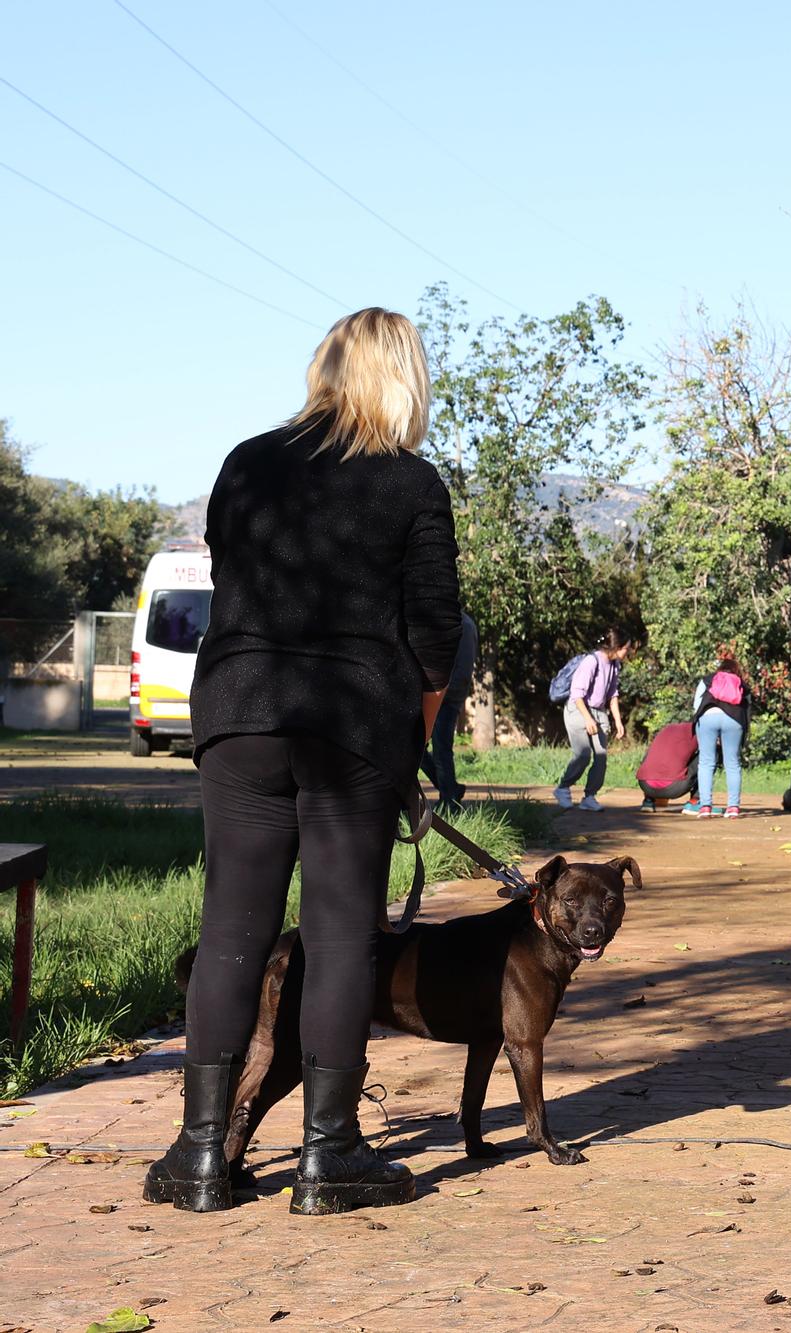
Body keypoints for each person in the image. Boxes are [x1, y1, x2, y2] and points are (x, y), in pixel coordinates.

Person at [146, 308, 462, 1216]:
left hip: (238, 713)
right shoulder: (410, 482)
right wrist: (415, 731)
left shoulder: (248, 461)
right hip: (351, 725)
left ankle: (199, 1155)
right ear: (405, 378)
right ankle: (331, 1156)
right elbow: (434, 630)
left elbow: (237, 585)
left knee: (231, 931)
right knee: (337, 941)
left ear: (324, 367)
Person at [555, 629, 632, 812]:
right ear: (616, 647)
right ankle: (563, 788)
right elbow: (577, 694)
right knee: (583, 754)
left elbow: (613, 694)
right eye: (626, 649)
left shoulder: (614, 665)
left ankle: (589, 797)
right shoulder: (592, 661)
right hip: (578, 709)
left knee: (601, 756)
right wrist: (588, 719)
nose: (628, 652)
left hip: (599, 711)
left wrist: (618, 721)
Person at [417, 610, 476, 810]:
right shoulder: (453, 622)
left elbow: (462, 671)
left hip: (447, 698)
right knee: (418, 748)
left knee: (441, 750)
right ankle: (450, 789)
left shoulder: (463, 625)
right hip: (439, 694)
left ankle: (449, 800)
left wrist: (444, 691)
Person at [691, 655, 751, 818]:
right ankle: (733, 807)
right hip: (734, 719)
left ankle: (705, 807)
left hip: (708, 716)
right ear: (736, 671)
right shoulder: (741, 684)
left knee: (706, 762)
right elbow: (747, 709)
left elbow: (696, 704)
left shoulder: (708, 679)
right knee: (732, 763)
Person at [636, 720, 698, 812]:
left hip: (645, 785)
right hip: (673, 788)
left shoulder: (666, 729)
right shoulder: (697, 732)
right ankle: (696, 801)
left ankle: (648, 801)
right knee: (708, 757)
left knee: (651, 755)